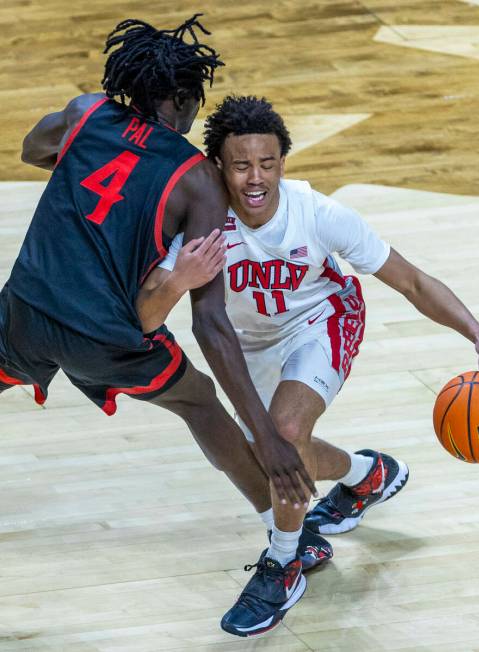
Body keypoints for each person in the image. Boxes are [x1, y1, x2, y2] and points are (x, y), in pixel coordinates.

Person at [138, 95, 479, 638]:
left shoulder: (316, 214)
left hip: (321, 321)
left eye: (267, 164)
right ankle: (366, 475)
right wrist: (178, 279)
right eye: (242, 164)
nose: (256, 178)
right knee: (273, 453)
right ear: (219, 167)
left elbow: (411, 280)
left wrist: (478, 332)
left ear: (283, 164)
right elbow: (146, 317)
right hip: (247, 346)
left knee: (286, 432)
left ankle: (283, 563)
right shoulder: (201, 224)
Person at [0, 18, 319, 573]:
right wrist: (265, 436)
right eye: (194, 100)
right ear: (181, 99)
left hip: (24, 308)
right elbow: (211, 325)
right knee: (196, 400)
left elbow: (32, 149)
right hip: (104, 336)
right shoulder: (199, 180)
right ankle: (283, 533)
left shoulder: (86, 113)